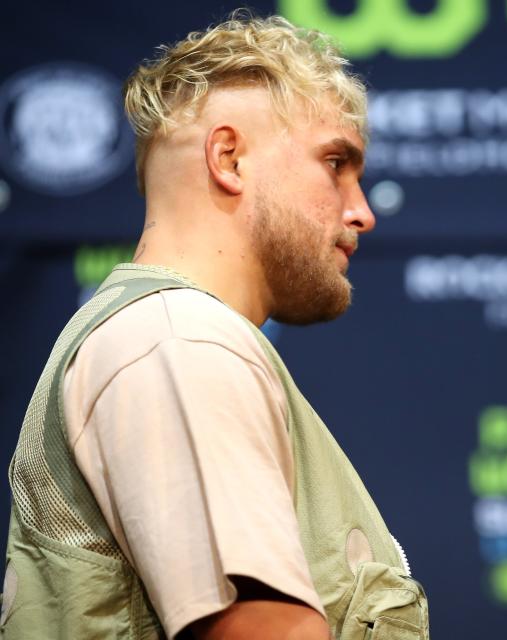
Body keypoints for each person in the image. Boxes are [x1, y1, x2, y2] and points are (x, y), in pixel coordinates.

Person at [2, 13, 428, 640]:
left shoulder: (173, 337)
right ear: (228, 158)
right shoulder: (180, 339)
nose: (361, 211)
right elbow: (262, 632)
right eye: (336, 164)